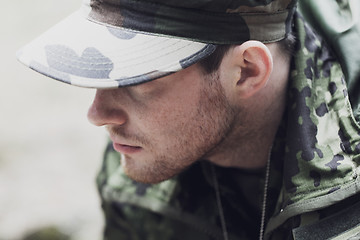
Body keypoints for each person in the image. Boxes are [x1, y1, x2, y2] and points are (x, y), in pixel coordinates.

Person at [17, 0, 360, 239]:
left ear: (247, 71)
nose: (97, 115)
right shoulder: (140, 151)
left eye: (139, 81)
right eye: (107, 77)